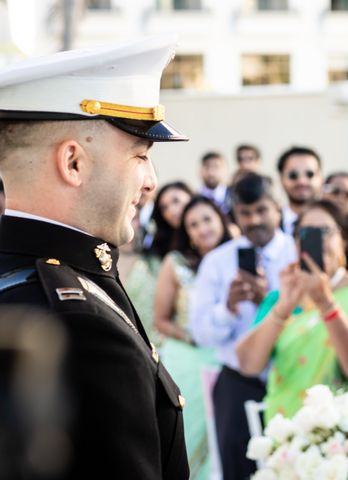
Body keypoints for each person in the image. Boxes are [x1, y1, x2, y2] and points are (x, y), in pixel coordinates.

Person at [0, 36, 189, 479]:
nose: (151, 182)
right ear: (74, 163)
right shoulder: (77, 324)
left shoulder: (48, 285)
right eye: (140, 155)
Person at [235, 199, 348, 421]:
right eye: (307, 233)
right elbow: (248, 364)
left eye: (326, 231)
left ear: (343, 240)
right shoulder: (281, 297)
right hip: (285, 433)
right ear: (296, 244)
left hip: (340, 435)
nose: (320, 240)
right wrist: (283, 307)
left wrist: (325, 303)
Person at [189, 173, 296, 479]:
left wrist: (269, 301)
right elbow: (201, 334)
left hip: (293, 374)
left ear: (277, 208)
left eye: (261, 210)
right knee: (238, 469)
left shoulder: (296, 254)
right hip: (238, 382)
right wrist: (228, 309)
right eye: (245, 214)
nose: (254, 221)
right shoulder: (217, 262)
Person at [154, 195, 231, 480]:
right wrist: (195, 337)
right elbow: (161, 319)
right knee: (190, 429)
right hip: (189, 357)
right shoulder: (176, 263)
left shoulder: (239, 257)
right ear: (187, 233)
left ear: (221, 220)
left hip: (230, 355)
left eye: (207, 219)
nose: (203, 228)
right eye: (193, 224)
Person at [126, 181, 193, 346]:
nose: (172, 210)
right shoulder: (166, 255)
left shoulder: (219, 235)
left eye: (176, 200)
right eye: (164, 207)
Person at [277, 146, 323, 235]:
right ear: (281, 179)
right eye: (293, 175)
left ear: (321, 179)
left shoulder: (336, 224)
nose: (302, 181)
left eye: (310, 174)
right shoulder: (267, 223)